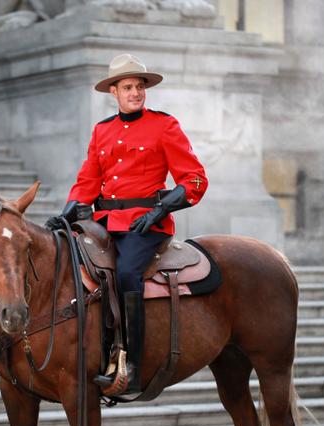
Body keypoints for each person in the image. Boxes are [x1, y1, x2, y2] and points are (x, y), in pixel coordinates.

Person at [46, 53, 208, 395]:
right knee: (71, 267)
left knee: (127, 274)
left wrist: (161, 209)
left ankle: (133, 364)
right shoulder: (102, 130)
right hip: (104, 222)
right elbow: (88, 181)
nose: (136, 93)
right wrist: (68, 211)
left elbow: (193, 179)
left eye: (139, 87)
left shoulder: (164, 125)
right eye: (128, 87)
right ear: (114, 92)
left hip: (145, 226)